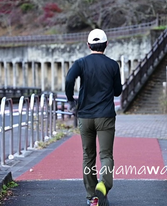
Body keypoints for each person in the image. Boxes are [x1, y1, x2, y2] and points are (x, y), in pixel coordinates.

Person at [65, 29, 122, 206]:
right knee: (106, 154)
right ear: (106, 44)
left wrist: (71, 100)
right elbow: (118, 91)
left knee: (88, 155)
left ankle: (92, 197)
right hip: (105, 115)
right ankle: (103, 185)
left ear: (88, 45)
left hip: (85, 116)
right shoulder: (113, 65)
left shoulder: (81, 63)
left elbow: (69, 81)